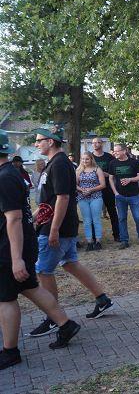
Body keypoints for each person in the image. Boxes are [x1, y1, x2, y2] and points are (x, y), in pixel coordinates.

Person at [0, 132, 81, 369]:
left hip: (11, 246)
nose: (36, 144)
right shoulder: (10, 173)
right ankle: (66, 324)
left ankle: (10, 351)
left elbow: (14, 218)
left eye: (39, 140)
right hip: (21, 242)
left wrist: (16, 259)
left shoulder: (5, 177)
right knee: (30, 287)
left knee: (5, 298)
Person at [29, 124, 114, 337]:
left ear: (50, 141)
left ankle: (53, 317)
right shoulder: (55, 163)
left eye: (39, 140)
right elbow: (49, 199)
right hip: (56, 224)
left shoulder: (59, 164)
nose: (36, 144)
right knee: (70, 263)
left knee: (43, 271)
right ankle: (102, 299)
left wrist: (54, 229)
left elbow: (63, 197)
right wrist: (32, 217)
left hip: (56, 227)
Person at [108, 143, 139, 249]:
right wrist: (115, 192)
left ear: (124, 151)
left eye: (117, 151)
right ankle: (124, 240)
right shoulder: (113, 163)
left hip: (134, 195)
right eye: (114, 151)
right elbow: (111, 178)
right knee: (122, 218)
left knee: (138, 217)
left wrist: (130, 179)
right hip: (120, 196)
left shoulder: (134, 162)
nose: (115, 153)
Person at [76, 152, 106, 251]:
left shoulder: (97, 169)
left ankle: (98, 241)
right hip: (82, 197)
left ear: (91, 159)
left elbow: (103, 185)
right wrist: (82, 190)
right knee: (87, 221)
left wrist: (91, 190)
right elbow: (75, 184)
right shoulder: (79, 170)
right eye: (83, 159)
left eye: (87, 159)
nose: (85, 161)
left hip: (96, 197)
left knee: (96, 219)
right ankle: (89, 241)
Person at [91, 137, 120, 242]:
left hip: (108, 188)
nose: (95, 144)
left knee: (112, 211)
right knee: (94, 213)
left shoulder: (109, 157)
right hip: (94, 188)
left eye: (98, 142)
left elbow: (114, 174)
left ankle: (117, 235)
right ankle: (94, 237)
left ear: (102, 144)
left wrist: (102, 174)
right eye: (93, 143)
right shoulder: (90, 157)